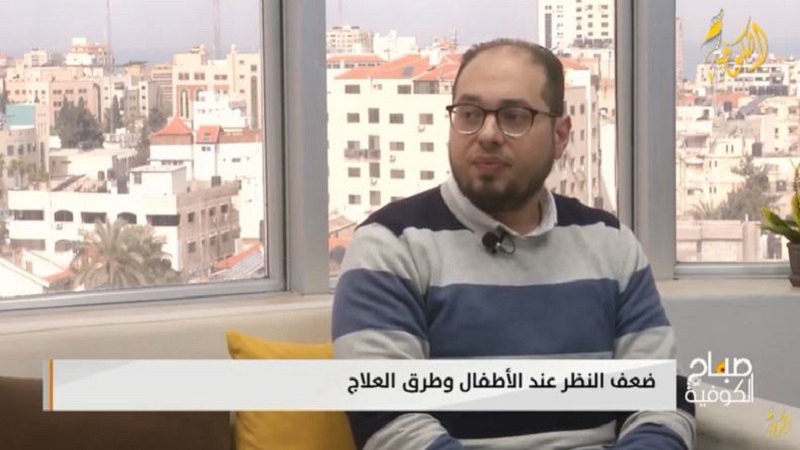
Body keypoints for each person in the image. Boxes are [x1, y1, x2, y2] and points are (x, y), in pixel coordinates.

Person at [331, 38, 695, 450]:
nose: (487, 134)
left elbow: (660, 399)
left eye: (514, 117)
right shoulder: (391, 246)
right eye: (469, 114)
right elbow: (390, 425)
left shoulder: (610, 242)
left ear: (560, 135)